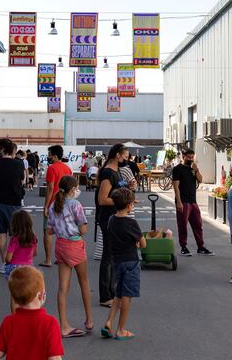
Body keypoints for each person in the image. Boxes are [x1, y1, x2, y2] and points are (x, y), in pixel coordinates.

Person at [47, 176, 93, 337]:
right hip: (75, 245)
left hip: (60, 245)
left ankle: (64, 326)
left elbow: (50, 230)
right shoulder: (75, 204)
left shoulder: (54, 205)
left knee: (62, 288)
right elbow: (84, 229)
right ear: (73, 189)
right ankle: (89, 320)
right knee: (84, 282)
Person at [0, 266, 64, 360]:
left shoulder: (8, 322)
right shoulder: (50, 323)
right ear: (41, 295)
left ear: (14, 298)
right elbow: (55, 358)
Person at [102, 188, 146, 340]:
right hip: (131, 262)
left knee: (118, 294)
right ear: (129, 205)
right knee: (127, 296)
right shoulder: (131, 223)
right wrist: (137, 243)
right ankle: (121, 329)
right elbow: (143, 243)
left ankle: (108, 322)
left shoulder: (111, 220)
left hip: (117, 261)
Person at [96, 143, 130, 307]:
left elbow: (118, 191)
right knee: (108, 256)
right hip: (109, 218)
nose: (127, 159)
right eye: (125, 156)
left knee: (114, 255)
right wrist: (123, 201)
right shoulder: (108, 172)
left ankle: (112, 291)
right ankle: (105, 295)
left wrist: (129, 193)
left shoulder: (116, 171)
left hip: (116, 217)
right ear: (118, 155)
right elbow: (102, 199)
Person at [0, 138, 26, 274]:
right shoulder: (19, 164)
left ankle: (4, 263)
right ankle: (15, 262)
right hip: (14, 202)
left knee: (1, 233)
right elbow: (21, 180)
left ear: (1, 149)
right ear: (12, 150)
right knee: (16, 234)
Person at [172, 149, 213, 257]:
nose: (190, 159)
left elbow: (200, 180)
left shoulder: (193, 169)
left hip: (193, 201)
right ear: (183, 157)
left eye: (192, 157)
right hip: (183, 201)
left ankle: (200, 247)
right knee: (183, 225)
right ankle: (183, 247)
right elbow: (176, 186)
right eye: (188, 157)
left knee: (198, 225)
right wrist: (179, 202)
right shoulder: (177, 169)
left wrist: (197, 170)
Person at [43, 145, 73, 268]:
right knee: (63, 231)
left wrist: (46, 205)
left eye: (49, 155)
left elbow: (50, 188)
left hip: (53, 204)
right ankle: (61, 258)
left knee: (48, 232)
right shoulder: (68, 169)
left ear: (55, 156)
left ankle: (48, 259)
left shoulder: (51, 168)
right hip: (66, 203)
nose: (48, 157)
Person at [5, 210, 38, 312]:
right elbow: (35, 254)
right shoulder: (33, 238)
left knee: (14, 297)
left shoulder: (15, 239)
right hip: (28, 268)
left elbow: (8, 258)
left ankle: (15, 317)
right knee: (27, 293)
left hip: (14, 269)